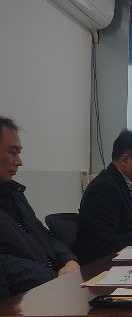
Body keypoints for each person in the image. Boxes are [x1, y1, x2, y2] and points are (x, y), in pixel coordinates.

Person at [0, 116, 79, 298]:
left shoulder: (14, 193)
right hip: (19, 300)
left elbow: (44, 234)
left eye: (19, 153)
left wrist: (69, 260)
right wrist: (52, 278)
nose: (19, 161)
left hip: (47, 288)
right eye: (12, 152)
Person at [75, 130, 132, 264]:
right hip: (98, 265)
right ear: (125, 160)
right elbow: (102, 243)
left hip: (125, 258)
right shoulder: (104, 187)